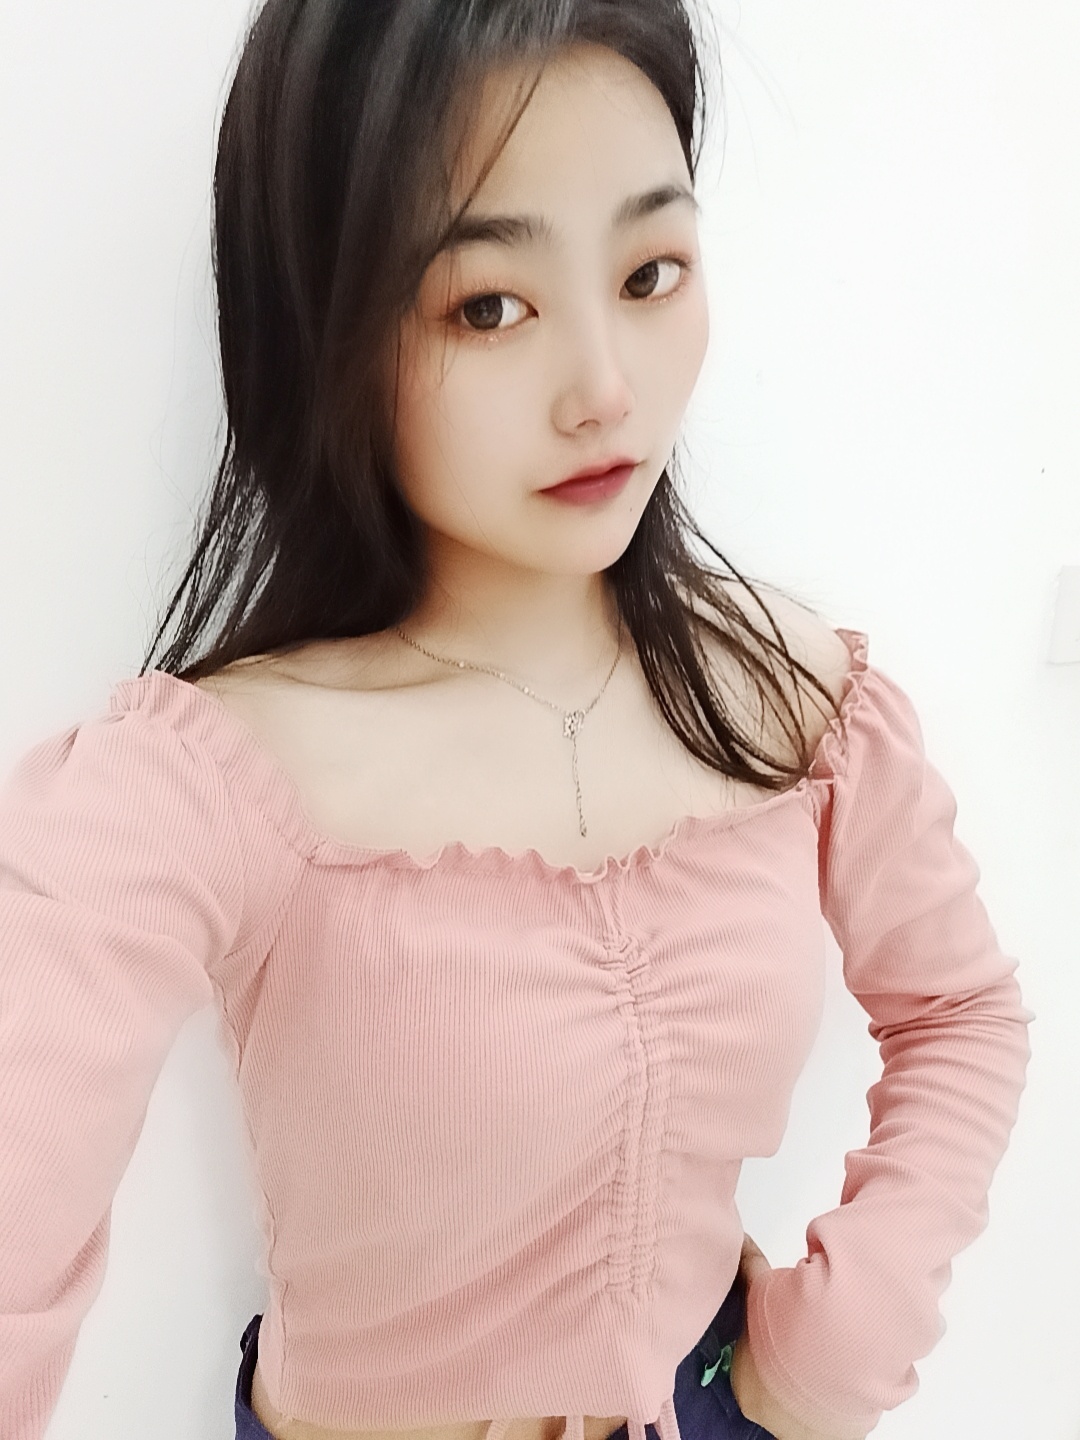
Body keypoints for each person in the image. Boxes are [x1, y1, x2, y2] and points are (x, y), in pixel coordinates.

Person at [0, 3, 1033, 1440]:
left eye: (651, 272)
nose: (606, 389)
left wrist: (838, 1352)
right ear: (326, 326)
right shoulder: (206, 781)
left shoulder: (793, 696)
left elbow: (960, 1012)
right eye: (489, 306)